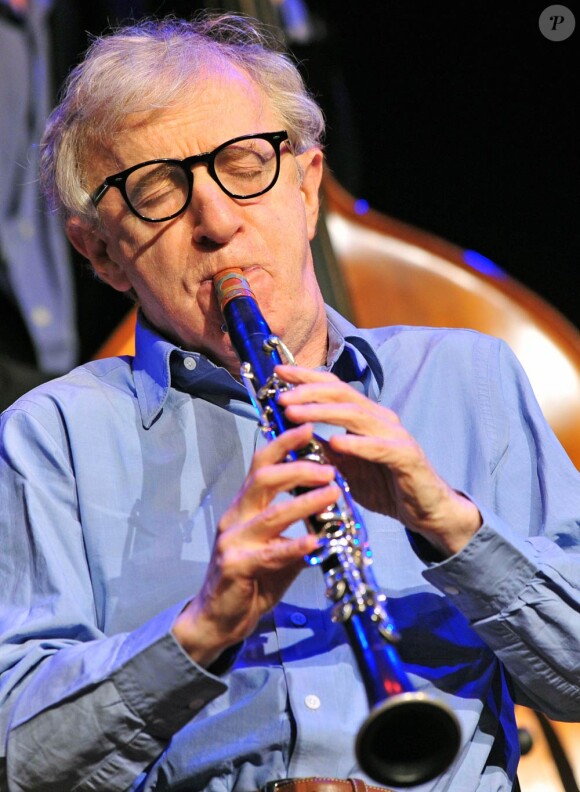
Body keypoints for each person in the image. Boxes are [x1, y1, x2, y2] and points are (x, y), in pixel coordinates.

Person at [0, 14, 579, 792]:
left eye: (245, 164)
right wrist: (199, 631)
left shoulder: (467, 378)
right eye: (157, 192)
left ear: (308, 189)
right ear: (101, 252)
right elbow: (22, 761)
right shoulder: (52, 437)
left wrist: (451, 523)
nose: (216, 221)